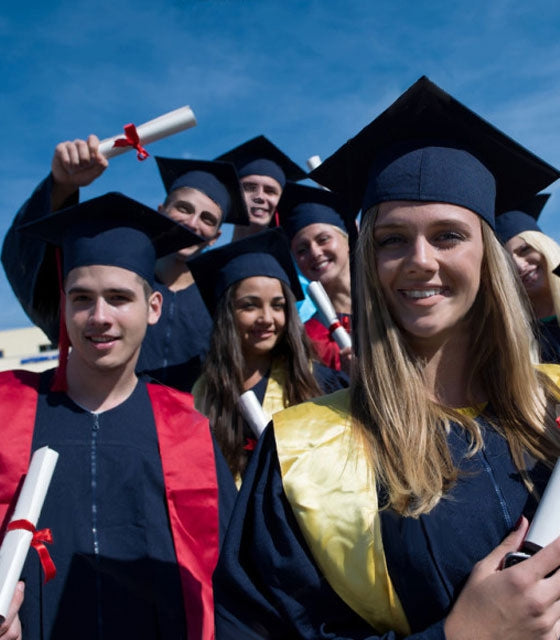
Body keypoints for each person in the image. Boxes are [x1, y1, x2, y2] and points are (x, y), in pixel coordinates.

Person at [212, 76, 560, 639]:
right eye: (392, 240)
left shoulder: (554, 404)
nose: (419, 261)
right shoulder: (308, 453)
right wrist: (457, 636)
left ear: (488, 257)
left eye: (448, 235)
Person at [0, 193, 236, 639]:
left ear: (153, 309)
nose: (99, 317)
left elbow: (228, 577)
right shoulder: (8, 409)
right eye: (82, 298)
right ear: (65, 307)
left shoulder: (187, 428)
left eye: (119, 298)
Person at [1, 136, 249, 391]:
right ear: (161, 210)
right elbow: (31, 266)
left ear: (215, 238)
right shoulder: (112, 286)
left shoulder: (220, 301)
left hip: (189, 426)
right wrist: (61, 186)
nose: (193, 222)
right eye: (184, 208)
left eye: (207, 219)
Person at [189, 229, 346, 483]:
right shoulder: (203, 394)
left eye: (277, 305)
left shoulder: (319, 384)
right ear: (227, 314)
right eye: (249, 305)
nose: (266, 318)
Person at [278, 182, 355, 374]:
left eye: (323, 239)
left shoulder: (393, 303)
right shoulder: (310, 338)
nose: (315, 253)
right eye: (302, 250)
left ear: (347, 241)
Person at [496, 195, 560, 362]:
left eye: (525, 250)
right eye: (507, 263)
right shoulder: (509, 343)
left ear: (545, 247)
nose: (519, 266)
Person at [215, 135, 307, 240]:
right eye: (249, 188)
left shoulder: (299, 255)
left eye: (270, 191)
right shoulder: (204, 256)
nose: (259, 197)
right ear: (233, 195)